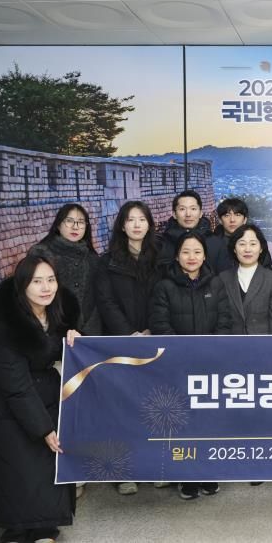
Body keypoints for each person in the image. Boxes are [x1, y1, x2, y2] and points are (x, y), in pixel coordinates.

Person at [0, 254, 80, 543]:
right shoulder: (8, 322)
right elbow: (16, 385)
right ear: (22, 285)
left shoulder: (59, 312)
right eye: (37, 281)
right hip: (7, 404)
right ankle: (16, 529)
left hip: (45, 396)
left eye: (51, 280)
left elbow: (63, 353)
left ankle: (45, 527)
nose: (46, 287)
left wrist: (75, 339)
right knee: (16, 467)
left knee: (46, 466)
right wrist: (44, 428)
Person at [150, 232, 232, 500]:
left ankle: (208, 473)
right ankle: (186, 477)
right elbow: (161, 326)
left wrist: (211, 352)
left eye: (197, 251)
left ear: (205, 255)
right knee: (182, 423)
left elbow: (225, 322)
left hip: (210, 365)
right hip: (178, 367)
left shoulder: (216, 284)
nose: (192, 257)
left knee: (208, 422)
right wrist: (184, 354)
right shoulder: (165, 287)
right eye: (186, 252)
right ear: (177, 256)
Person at [94, 200, 160, 496]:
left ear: (149, 224)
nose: (136, 225)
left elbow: (163, 297)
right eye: (131, 219)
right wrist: (129, 333)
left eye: (142, 219)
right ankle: (123, 472)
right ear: (122, 225)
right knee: (121, 409)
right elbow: (105, 302)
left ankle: (154, 466)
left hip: (154, 342)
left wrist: (151, 330)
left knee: (154, 407)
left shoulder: (161, 258)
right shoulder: (107, 262)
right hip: (120, 343)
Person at [29, 203, 101, 335]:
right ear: (58, 225)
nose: (75, 226)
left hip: (88, 333)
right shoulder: (41, 254)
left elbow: (99, 299)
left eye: (81, 222)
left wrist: (88, 331)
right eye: (69, 221)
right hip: (52, 331)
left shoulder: (93, 259)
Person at [220, 224, 272, 335]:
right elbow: (220, 320)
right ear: (234, 248)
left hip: (262, 343)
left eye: (253, 244)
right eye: (242, 244)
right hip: (231, 343)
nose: (247, 249)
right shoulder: (223, 278)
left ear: (261, 248)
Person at [156, 190, 231, 274]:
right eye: (182, 209)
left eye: (193, 209)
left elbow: (224, 277)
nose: (188, 214)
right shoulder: (161, 244)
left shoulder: (216, 243)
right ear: (174, 214)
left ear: (200, 213)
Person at [214, 197, 271, 269]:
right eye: (227, 215)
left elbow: (266, 269)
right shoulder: (212, 243)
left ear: (245, 220)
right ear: (220, 220)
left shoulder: (257, 241)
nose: (232, 220)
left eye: (237, 215)